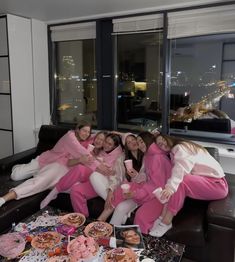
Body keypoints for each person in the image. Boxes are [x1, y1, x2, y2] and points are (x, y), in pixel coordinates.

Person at [149, 134, 229, 237]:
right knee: (175, 183)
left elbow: (180, 169)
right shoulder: (177, 150)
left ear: (169, 138)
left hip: (217, 185)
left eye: (163, 140)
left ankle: (166, 222)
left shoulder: (180, 147)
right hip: (212, 183)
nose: (163, 144)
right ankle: (162, 217)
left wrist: (170, 188)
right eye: (160, 144)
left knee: (180, 181)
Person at [0, 120, 94, 208]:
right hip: (44, 160)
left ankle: (4, 199)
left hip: (56, 166)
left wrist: (107, 134)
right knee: (15, 176)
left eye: (88, 132)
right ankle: (20, 167)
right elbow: (81, 151)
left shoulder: (86, 143)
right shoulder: (70, 137)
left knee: (39, 181)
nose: (86, 134)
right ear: (77, 129)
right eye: (84, 130)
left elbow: (96, 139)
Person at [40, 131, 108, 209]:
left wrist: (97, 161)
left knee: (77, 176)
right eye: (97, 138)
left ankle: (53, 193)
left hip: (93, 179)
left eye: (102, 140)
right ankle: (53, 193)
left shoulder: (105, 154)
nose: (98, 141)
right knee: (75, 180)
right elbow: (69, 163)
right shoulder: (85, 148)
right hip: (79, 176)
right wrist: (80, 160)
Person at [95, 133, 146, 224]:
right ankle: (110, 233)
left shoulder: (146, 156)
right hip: (127, 194)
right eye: (128, 142)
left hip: (141, 194)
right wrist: (110, 192)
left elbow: (149, 180)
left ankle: (100, 220)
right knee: (120, 207)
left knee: (123, 189)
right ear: (127, 147)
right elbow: (116, 177)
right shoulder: (122, 158)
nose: (132, 142)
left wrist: (136, 176)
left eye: (133, 139)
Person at [68, 133, 123, 217]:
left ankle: (114, 204)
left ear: (115, 147)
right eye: (106, 142)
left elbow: (116, 177)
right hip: (93, 179)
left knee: (91, 176)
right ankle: (83, 218)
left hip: (104, 183)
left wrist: (111, 190)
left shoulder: (119, 156)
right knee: (75, 190)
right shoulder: (100, 150)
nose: (106, 145)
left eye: (110, 144)